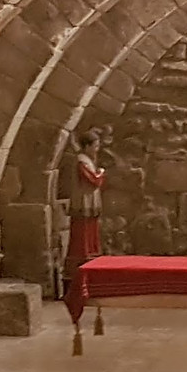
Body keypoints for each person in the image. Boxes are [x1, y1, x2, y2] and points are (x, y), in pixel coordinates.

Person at [64, 130, 107, 345]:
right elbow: (93, 180)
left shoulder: (87, 159)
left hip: (89, 206)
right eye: (96, 144)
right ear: (88, 145)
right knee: (82, 240)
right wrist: (100, 172)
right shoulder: (82, 161)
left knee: (89, 238)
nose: (98, 147)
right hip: (83, 205)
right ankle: (79, 275)